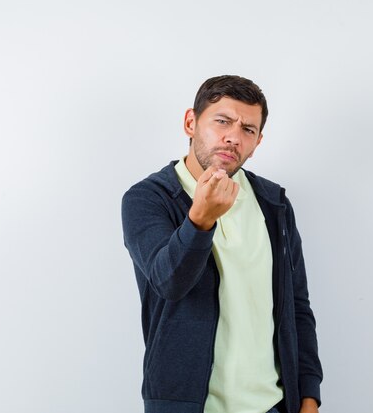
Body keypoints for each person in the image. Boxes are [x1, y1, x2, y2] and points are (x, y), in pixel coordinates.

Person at [121, 75, 323, 413]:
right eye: (222, 121)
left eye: (248, 129)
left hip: (273, 405)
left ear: (258, 141)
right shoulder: (148, 199)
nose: (233, 137)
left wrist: (309, 395)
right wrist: (200, 220)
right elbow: (168, 283)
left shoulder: (274, 203)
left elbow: (297, 305)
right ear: (191, 122)